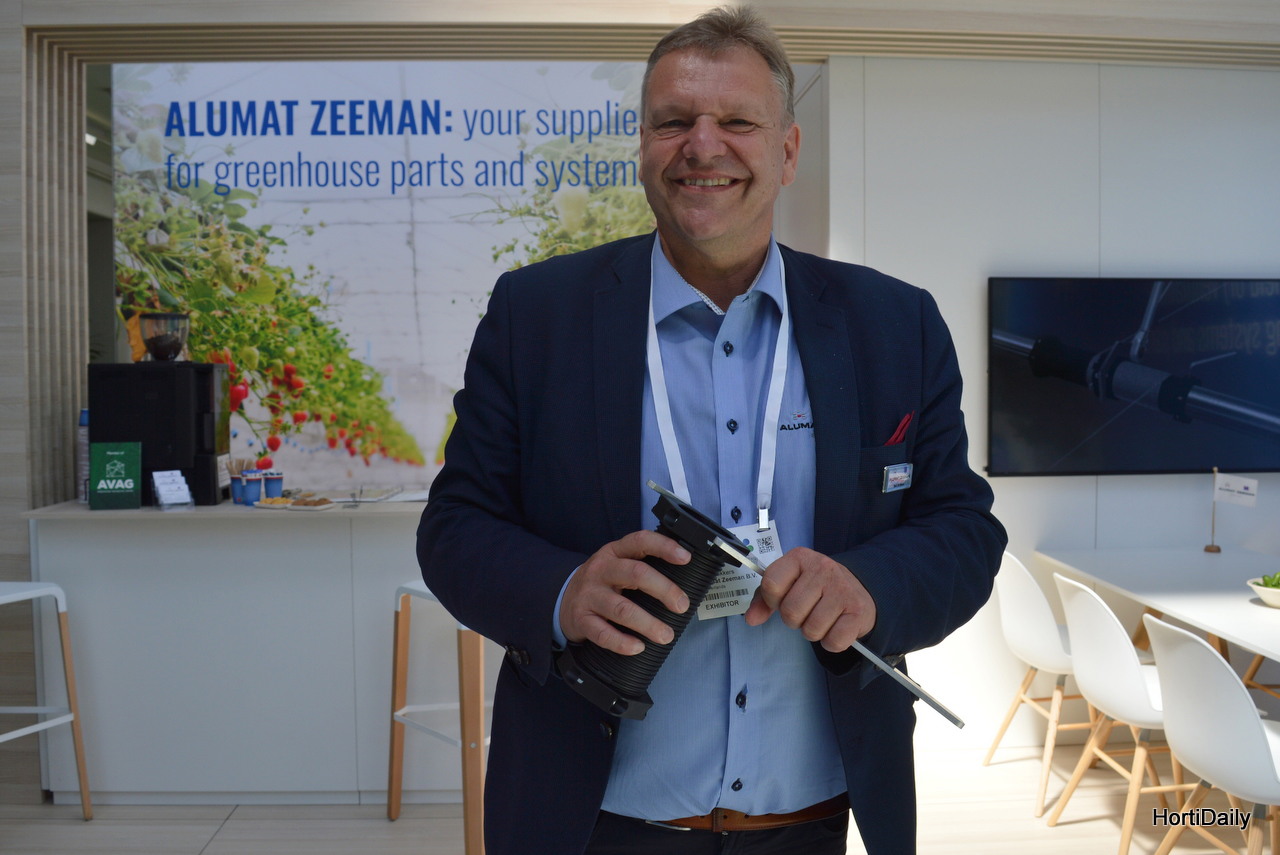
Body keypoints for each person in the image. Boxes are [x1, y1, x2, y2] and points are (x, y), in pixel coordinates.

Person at [417, 6, 1006, 854]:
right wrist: (563, 590)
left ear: (788, 151)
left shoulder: (894, 324)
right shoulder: (535, 315)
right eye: (674, 122)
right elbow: (454, 526)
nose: (703, 145)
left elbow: (963, 529)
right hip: (590, 818)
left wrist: (869, 586)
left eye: (737, 121)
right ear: (643, 147)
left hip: (809, 819)